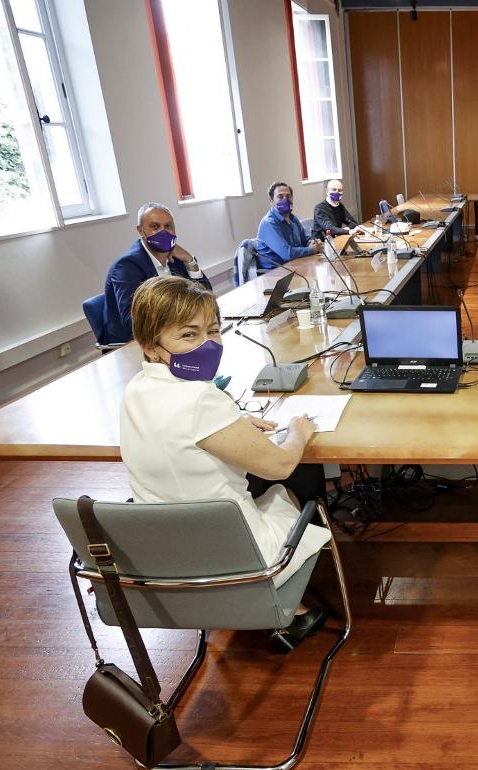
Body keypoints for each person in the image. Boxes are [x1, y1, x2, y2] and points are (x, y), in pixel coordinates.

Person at [120, 276, 330, 641]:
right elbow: (279, 465)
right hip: (235, 554)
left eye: (213, 331)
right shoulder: (200, 399)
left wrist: (232, 425)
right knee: (296, 485)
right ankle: (282, 609)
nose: (207, 344)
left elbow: (176, 432)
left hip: (163, 554)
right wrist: (299, 430)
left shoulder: (136, 389)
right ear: (150, 345)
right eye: (189, 335)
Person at [102, 203, 212, 345]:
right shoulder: (127, 266)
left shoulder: (176, 258)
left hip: (179, 334)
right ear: (141, 231)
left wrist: (190, 261)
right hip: (139, 344)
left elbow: (207, 297)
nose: (163, 232)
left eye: (168, 226)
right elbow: (133, 323)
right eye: (155, 226)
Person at [256, 181, 323, 270]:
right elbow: (286, 254)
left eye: (288, 196)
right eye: (280, 196)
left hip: (296, 265)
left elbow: (304, 240)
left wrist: (313, 243)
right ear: (272, 201)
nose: (285, 200)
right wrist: (311, 249)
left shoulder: (293, 219)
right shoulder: (269, 223)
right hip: (276, 273)